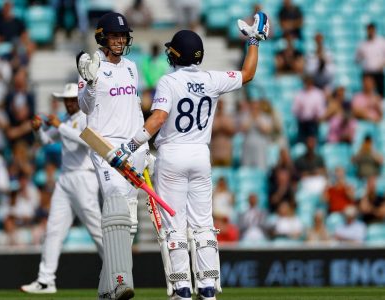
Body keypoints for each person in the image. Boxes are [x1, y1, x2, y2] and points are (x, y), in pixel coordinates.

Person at [102, 13, 269, 300]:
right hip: (201, 157)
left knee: (174, 228)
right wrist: (254, 40)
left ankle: (181, 288)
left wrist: (128, 147)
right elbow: (248, 74)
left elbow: (157, 119)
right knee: (204, 226)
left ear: (176, 53)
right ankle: (207, 288)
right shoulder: (212, 79)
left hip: (172, 156)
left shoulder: (170, 82)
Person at [76, 12, 149, 299]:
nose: (119, 40)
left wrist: (145, 149)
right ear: (102, 37)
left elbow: (135, 108)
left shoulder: (132, 67)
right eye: (114, 36)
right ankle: (120, 281)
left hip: (133, 147)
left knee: (128, 223)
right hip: (105, 147)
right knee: (116, 206)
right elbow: (84, 107)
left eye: (122, 36)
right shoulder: (89, 65)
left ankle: (106, 289)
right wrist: (91, 83)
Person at [20, 83, 103, 294]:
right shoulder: (65, 120)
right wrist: (38, 130)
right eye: (66, 100)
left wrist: (59, 126)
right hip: (65, 178)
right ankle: (46, 280)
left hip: (85, 177)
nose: (68, 103)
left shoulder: (86, 118)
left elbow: (88, 141)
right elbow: (46, 141)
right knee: (53, 230)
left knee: (97, 230)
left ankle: (119, 274)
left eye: (72, 99)